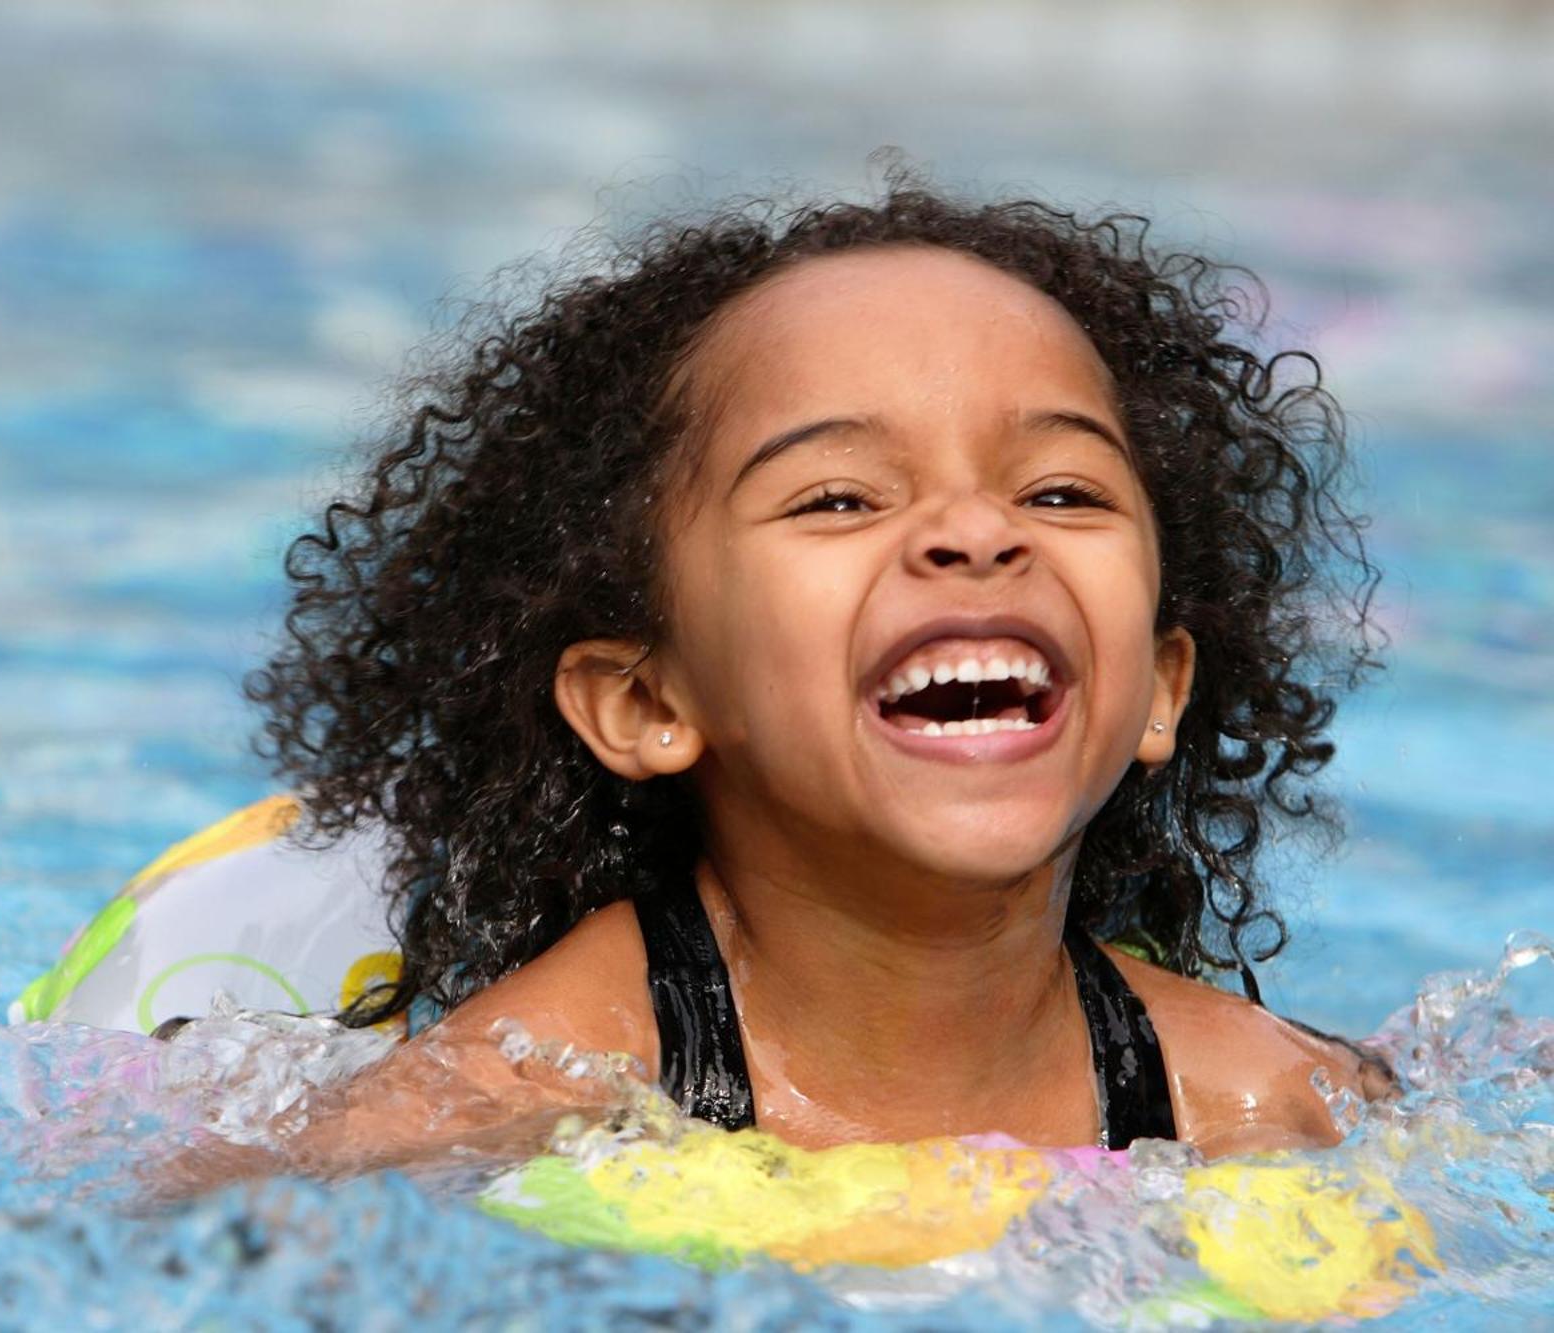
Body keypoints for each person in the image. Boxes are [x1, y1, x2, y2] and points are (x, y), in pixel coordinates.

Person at [202, 170, 1391, 1184]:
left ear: (1156, 692)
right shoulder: (524, 1089)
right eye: (838, 498)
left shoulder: (1261, 1101)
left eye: (1059, 492)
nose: (975, 532)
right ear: (645, 702)